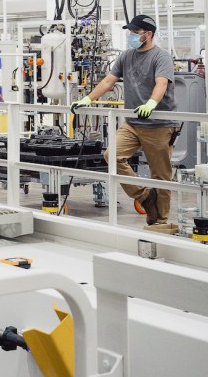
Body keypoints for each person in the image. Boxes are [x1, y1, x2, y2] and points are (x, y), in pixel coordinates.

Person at [72, 14, 177, 226]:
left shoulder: (161, 57)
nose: (132, 36)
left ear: (148, 34)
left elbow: (161, 83)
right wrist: (87, 99)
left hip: (159, 124)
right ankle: (145, 196)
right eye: (130, 32)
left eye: (135, 33)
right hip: (133, 123)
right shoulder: (126, 56)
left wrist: (150, 104)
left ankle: (160, 221)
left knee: (161, 176)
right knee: (112, 156)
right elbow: (108, 81)